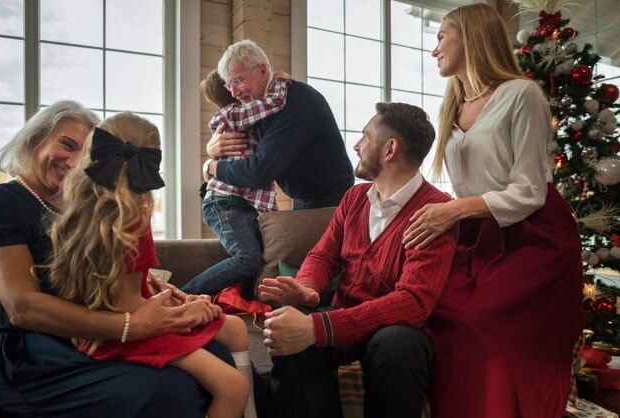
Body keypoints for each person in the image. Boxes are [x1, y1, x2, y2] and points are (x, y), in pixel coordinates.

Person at [0, 100, 235, 417]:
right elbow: (22, 307)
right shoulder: (4, 202)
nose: (73, 161)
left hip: (96, 330)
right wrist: (131, 325)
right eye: (66, 145)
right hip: (35, 347)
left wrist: (166, 302)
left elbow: (118, 276)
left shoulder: (91, 207)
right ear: (35, 139)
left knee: (217, 351)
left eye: (85, 152)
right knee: (169, 389)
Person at [401, 4, 584, 418]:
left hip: (533, 234)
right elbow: (462, 187)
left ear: (471, 36)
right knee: (440, 316)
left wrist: (453, 212)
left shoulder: (522, 94)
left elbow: (530, 190)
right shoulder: (452, 106)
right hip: (475, 233)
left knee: (484, 325)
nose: (434, 50)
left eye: (441, 36)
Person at [46, 111, 258, 418]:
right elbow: (132, 311)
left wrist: (183, 300)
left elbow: (135, 287)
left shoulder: (76, 209)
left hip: (106, 326)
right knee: (232, 386)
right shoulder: (132, 220)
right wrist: (186, 313)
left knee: (236, 326)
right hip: (122, 336)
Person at [259, 102, 459, 418]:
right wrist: (308, 290)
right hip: (343, 315)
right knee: (293, 339)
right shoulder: (354, 198)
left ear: (389, 149)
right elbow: (322, 255)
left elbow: (413, 301)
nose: (356, 144)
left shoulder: (436, 210)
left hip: (397, 329)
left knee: (397, 349)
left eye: (365, 136)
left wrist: (318, 326)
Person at [203, 39, 354, 209]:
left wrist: (211, 166)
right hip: (304, 197)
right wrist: (212, 149)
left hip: (334, 201)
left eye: (238, 81)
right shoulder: (260, 107)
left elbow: (259, 171)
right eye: (229, 85)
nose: (234, 93)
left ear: (262, 71)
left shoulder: (297, 100)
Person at [182, 70, 291, 297]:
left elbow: (258, 181)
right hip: (226, 202)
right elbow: (274, 101)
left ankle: (233, 300)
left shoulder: (244, 119)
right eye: (234, 83)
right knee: (248, 260)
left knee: (256, 259)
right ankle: (183, 295)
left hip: (241, 204)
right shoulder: (233, 114)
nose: (239, 87)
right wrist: (280, 79)